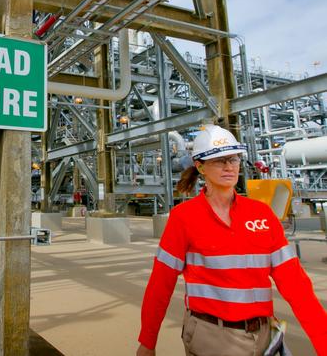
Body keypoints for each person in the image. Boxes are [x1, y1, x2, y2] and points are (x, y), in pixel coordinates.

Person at [136, 124, 327, 356]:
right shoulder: (184, 218)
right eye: (219, 160)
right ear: (200, 167)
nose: (229, 167)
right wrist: (148, 341)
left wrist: (323, 341)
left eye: (233, 159)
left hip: (264, 334)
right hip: (211, 335)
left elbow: (297, 286)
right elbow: (160, 284)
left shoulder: (262, 215)